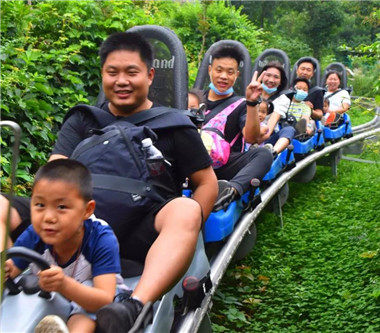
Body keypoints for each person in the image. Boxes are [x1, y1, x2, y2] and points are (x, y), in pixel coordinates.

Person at [1, 31, 218, 332]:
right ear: (103, 74)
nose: (121, 81)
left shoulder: (175, 127)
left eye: (132, 72)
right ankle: (6, 272)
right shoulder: (83, 120)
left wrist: (191, 233)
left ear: (150, 75)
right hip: (73, 225)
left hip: (139, 230)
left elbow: (207, 184)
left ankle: (133, 306)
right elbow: (55, 174)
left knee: (185, 209)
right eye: (112, 72)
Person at [5, 159, 123, 333]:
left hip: (90, 300)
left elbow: (104, 299)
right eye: (40, 205)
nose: (48, 217)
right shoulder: (35, 233)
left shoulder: (101, 238)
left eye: (61, 207)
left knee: (84, 312)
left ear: (87, 210)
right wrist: (6, 270)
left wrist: (64, 284)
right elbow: (12, 269)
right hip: (49, 298)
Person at [203, 44, 273, 211]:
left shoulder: (241, 104)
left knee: (264, 154)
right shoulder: (194, 98)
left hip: (224, 167)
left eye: (230, 72)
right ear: (210, 70)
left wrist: (251, 102)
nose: (223, 76)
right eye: (219, 70)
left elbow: (251, 137)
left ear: (237, 75)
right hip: (193, 164)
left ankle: (229, 191)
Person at [253, 61, 295, 155]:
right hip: (248, 135)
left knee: (289, 130)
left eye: (276, 77)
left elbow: (268, 130)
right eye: (268, 75)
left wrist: (253, 143)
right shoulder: (252, 93)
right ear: (262, 76)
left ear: (280, 82)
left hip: (267, 137)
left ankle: (272, 152)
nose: (271, 80)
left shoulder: (283, 100)